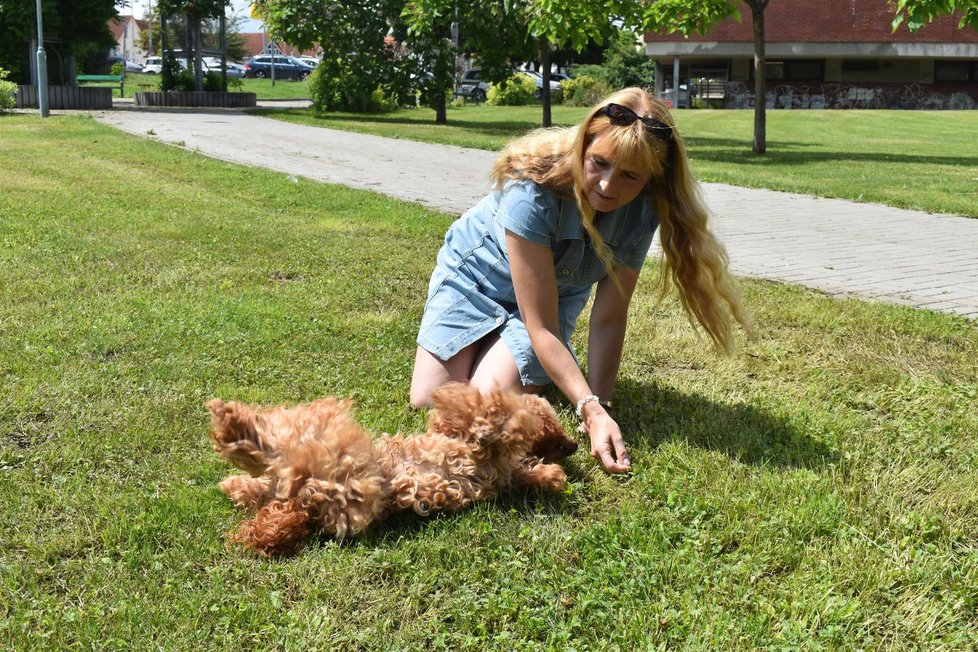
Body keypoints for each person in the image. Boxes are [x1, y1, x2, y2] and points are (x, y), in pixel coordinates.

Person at [409, 87, 752, 474]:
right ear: (582, 147)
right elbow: (542, 329)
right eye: (599, 163)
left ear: (651, 180)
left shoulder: (643, 212)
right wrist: (586, 405)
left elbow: (608, 316)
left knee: (488, 399)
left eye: (629, 176)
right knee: (428, 399)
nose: (607, 186)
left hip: (551, 299)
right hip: (477, 279)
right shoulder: (533, 191)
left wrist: (599, 406)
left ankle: (509, 354)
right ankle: (499, 348)